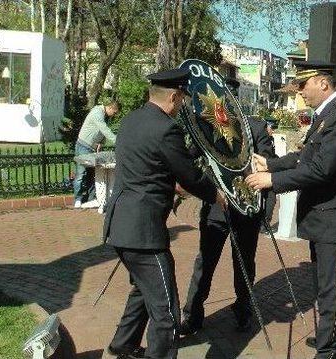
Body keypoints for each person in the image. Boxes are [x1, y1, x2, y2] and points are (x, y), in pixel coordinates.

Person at [103, 68, 225, 359]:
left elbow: (150, 166)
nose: (182, 104)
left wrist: (169, 186)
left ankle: (123, 344)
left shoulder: (132, 120)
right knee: (166, 310)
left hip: (120, 225)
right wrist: (217, 195)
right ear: (173, 96)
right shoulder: (165, 128)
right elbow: (190, 175)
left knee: (143, 292)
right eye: (182, 98)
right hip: (143, 234)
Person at [245, 60, 336, 359]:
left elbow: (321, 169)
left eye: (303, 85)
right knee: (326, 286)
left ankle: (330, 350)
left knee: (330, 289)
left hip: (334, 219)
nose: (300, 93)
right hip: (323, 217)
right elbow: (304, 157)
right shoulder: (325, 117)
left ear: (323, 83)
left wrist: (272, 180)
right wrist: (270, 163)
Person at [179, 78, 276, 335]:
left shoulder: (255, 126)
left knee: (244, 264)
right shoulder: (206, 127)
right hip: (216, 209)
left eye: (227, 99)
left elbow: (270, 163)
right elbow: (188, 160)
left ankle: (243, 310)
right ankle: (192, 315)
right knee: (205, 264)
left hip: (246, 209)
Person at [73, 101, 119, 208]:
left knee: (92, 174)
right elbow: (104, 129)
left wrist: (100, 143)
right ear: (111, 108)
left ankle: (92, 198)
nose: (114, 115)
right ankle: (78, 199)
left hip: (92, 148)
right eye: (115, 112)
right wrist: (118, 141)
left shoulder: (105, 115)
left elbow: (100, 132)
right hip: (83, 146)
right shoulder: (97, 113)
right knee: (81, 174)